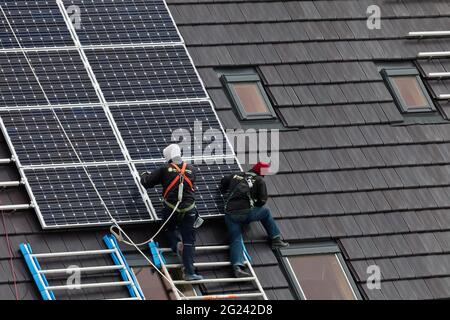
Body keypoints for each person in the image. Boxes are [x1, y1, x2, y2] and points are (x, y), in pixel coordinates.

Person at [140, 144, 203, 281]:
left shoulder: (164, 169)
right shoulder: (192, 169)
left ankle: (175, 245)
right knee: (189, 241)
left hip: (171, 208)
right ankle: (190, 273)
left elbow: (147, 183)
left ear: (167, 156)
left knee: (168, 228)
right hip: (189, 209)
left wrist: (144, 175)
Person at [220, 162, 289, 278]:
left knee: (235, 238)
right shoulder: (259, 181)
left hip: (229, 214)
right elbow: (262, 201)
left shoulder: (236, 175)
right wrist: (253, 203)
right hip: (245, 213)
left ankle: (237, 266)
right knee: (265, 212)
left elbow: (223, 182)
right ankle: (276, 239)